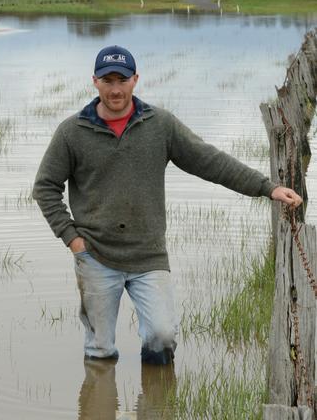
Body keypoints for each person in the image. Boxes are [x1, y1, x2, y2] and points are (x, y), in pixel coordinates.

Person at [32, 45, 303, 365]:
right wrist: (73, 239)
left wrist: (267, 188)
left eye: (122, 80)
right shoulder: (71, 132)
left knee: (162, 337)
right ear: (95, 82)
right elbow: (45, 187)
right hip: (95, 254)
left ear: (136, 80)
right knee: (99, 351)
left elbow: (210, 162)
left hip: (149, 254)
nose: (115, 89)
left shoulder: (159, 125)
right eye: (108, 81)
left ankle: (157, 405)